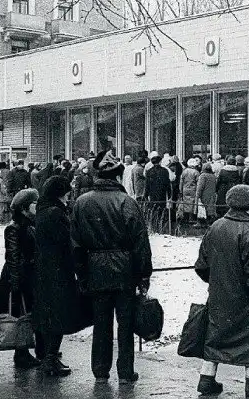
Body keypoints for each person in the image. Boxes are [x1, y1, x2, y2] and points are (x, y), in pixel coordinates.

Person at [71, 150, 153, 383]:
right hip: (124, 270)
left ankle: (100, 371)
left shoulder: (82, 202)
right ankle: (125, 372)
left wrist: (82, 274)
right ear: (118, 176)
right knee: (125, 324)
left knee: (101, 323)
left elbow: (75, 244)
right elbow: (140, 241)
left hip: (95, 269)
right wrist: (144, 274)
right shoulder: (126, 202)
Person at [194, 185, 249, 397]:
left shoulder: (215, 226)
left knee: (215, 334)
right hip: (246, 297)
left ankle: (206, 378)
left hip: (219, 294)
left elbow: (201, 265)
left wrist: (218, 281)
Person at [0, 188, 44, 368]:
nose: (38, 206)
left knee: (28, 314)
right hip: (20, 277)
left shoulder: (31, 224)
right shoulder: (14, 228)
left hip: (29, 275)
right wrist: (16, 282)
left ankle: (29, 350)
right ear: (24, 207)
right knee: (20, 315)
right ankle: (21, 352)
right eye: (35, 203)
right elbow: (13, 257)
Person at [33, 176, 77, 377]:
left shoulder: (42, 210)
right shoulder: (56, 213)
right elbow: (66, 243)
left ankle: (45, 355)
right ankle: (50, 359)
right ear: (60, 193)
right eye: (67, 193)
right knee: (58, 314)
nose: (68, 197)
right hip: (58, 271)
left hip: (42, 269)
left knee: (46, 314)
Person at [145, 152, 171, 232]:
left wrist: (146, 195)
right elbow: (167, 183)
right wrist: (169, 194)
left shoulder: (149, 171)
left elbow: (147, 184)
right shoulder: (164, 171)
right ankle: (161, 227)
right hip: (162, 193)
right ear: (160, 162)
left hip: (152, 193)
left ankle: (154, 227)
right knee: (162, 209)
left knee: (153, 209)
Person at [195, 162, 218, 227]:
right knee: (209, 209)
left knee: (201, 209)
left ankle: (200, 223)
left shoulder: (203, 176)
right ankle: (208, 222)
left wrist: (198, 195)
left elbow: (200, 187)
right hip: (212, 194)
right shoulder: (213, 176)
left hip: (204, 195)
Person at [178, 159, 200, 224]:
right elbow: (198, 183)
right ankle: (192, 218)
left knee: (185, 203)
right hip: (193, 189)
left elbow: (181, 182)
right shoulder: (196, 172)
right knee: (193, 204)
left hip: (185, 189)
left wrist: (180, 190)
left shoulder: (184, 171)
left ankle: (186, 218)